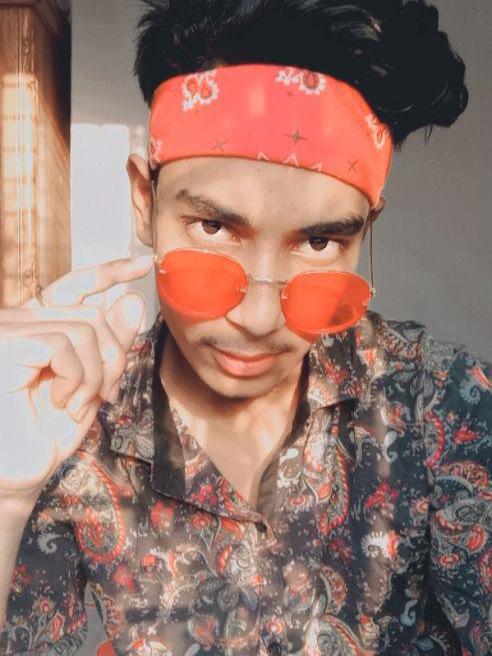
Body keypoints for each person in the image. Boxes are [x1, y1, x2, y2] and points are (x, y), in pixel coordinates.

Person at [0, 0, 490, 654]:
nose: (260, 319)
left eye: (319, 242)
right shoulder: (67, 424)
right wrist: (5, 499)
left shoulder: (443, 405)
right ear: (145, 202)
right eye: (213, 227)